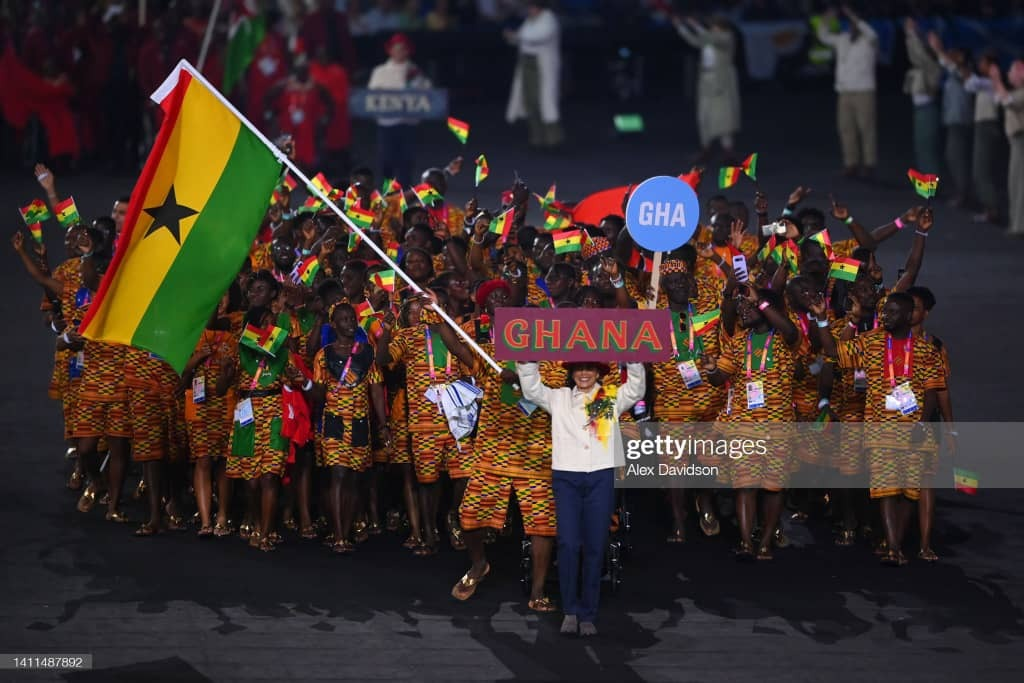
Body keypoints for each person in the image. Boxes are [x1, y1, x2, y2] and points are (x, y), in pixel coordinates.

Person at [811, 292, 948, 566]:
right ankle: (894, 548)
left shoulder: (925, 351)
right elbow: (833, 352)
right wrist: (823, 321)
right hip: (880, 427)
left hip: (913, 428)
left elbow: (933, 389)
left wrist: (923, 420)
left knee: (908, 492)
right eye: (884, 311)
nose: (885, 315)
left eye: (893, 312)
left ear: (909, 317)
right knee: (885, 487)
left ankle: (892, 539)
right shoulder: (870, 342)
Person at [516, 359, 645, 636]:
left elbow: (636, 389)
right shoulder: (559, 398)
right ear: (571, 373)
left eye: (589, 369)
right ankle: (570, 610)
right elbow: (532, 390)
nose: (584, 374)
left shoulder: (609, 396)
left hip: (601, 476)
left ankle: (588, 612)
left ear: (598, 372)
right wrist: (526, 361)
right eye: (578, 369)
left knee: (596, 546)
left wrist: (634, 359)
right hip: (567, 478)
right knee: (568, 545)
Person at [816, 5, 878, 179]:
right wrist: (827, 17)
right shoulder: (842, 39)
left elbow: (871, 32)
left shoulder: (869, 41)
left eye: (855, 23)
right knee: (846, 128)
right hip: (844, 91)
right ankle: (851, 163)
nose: (852, 26)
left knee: (866, 129)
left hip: (864, 90)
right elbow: (823, 36)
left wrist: (852, 14)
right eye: (850, 23)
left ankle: (869, 164)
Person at [672, 14, 740, 165]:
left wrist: (695, 25)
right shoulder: (709, 37)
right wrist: (681, 27)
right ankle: (706, 149)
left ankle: (728, 151)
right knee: (704, 115)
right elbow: (695, 41)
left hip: (721, 81)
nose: (712, 28)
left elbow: (711, 38)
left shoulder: (726, 37)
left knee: (724, 117)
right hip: (706, 80)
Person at [368, 33, 431, 187]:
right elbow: (371, 96)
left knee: (406, 162)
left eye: (403, 49)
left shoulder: (414, 71)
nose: (399, 52)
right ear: (390, 51)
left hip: (408, 124)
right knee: (386, 161)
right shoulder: (380, 71)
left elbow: (428, 93)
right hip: (386, 124)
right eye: (396, 49)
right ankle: (386, 194)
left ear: (407, 51)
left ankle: (404, 196)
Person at [505, 1, 563, 149]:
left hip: (542, 66)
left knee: (545, 102)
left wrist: (518, 35)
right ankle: (536, 137)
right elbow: (523, 39)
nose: (529, 10)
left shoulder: (549, 19)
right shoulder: (529, 21)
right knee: (530, 101)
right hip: (527, 65)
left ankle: (553, 138)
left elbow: (539, 36)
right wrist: (513, 37)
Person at [928, 33, 975, 207]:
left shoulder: (963, 72)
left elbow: (947, 62)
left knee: (956, 156)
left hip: (959, 120)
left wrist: (937, 48)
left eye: (954, 53)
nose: (950, 55)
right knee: (954, 155)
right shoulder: (956, 72)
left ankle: (963, 193)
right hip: (953, 120)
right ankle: (962, 191)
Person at [903, 20, 942, 176]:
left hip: (928, 111)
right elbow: (915, 52)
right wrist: (911, 35)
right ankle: (926, 188)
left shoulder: (932, 64)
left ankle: (931, 188)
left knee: (928, 150)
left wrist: (912, 33)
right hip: (921, 110)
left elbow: (920, 54)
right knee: (921, 149)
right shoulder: (923, 62)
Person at [990, 60, 1024, 237]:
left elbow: (1008, 101)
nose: (1009, 74)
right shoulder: (1016, 92)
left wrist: (996, 79)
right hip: (1016, 142)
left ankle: (1020, 225)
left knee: (1020, 184)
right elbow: (1000, 98)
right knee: (1014, 182)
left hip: (1021, 141)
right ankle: (1016, 222)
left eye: (1012, 71)